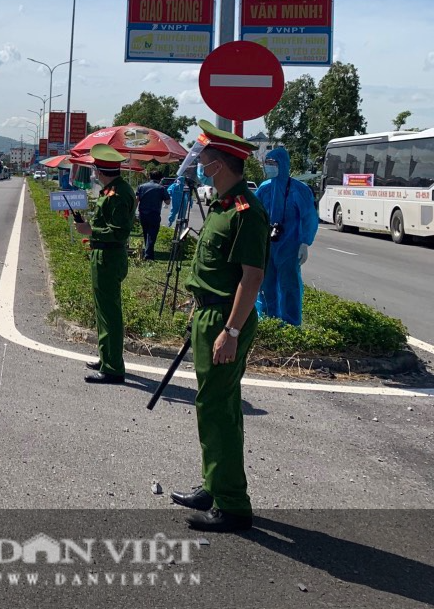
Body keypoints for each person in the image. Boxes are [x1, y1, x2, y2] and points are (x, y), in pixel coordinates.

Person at [169, 121, 269, 533]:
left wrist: (229, 331)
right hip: (210, 313)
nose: (199, 162)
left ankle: (232, 505)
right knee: (212, 406)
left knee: (219, 411)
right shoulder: (224, 205)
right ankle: (214, 484)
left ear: (220, 164)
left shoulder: (246, 211)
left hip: (227, 319)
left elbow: (252, 277)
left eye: (205, 157)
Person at [73, 144, 135, 384]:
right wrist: (89, 226)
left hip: (109, 257)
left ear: (99, 171)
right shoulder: (111, 190)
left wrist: (90, 230)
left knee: (110, 313)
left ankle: (113, 368)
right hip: (103, 255)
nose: (94, 174)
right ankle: (106, 356)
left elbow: (118, 232)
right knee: (103, 311)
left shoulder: (119, 193)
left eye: (95, 170)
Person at [254, 147, 318, 326]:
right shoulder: (264, 189)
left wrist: (305, 242)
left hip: (290, 246)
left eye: (272, 163)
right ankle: (268, 320)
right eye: (266, 163)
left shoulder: (300, 190)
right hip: (267, 245)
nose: (269, 167)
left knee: (289, 285)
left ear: (283, 165)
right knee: (266, 285)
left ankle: (291, 323)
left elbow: (309, 217)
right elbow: (255, 214)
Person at [135, 169, 170, 260]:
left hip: (142, 213)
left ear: (149, 177)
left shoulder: (141, 186)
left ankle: (149, 253)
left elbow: (136, 200)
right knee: (152, 234)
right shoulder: (161, 188)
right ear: (160, 178)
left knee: (146, 233)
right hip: (154, 214)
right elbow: (168, 202)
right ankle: (148, 256)